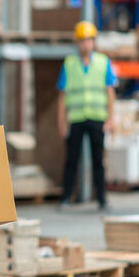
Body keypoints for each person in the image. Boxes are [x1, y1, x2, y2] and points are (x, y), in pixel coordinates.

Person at [57, 21, 117, 211]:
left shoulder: (103, 62)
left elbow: (110, 92)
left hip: (97, 117)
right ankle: (66, 197)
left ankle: (101, 198)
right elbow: (62, 96)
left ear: (93, 42)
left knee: (98, 160)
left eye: (89, 40)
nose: (86, 44)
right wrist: (62, 123)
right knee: (71, 159)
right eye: (82, 41)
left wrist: (110, 118)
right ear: (77, 42)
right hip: (76, 118)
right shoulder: (69, 63)